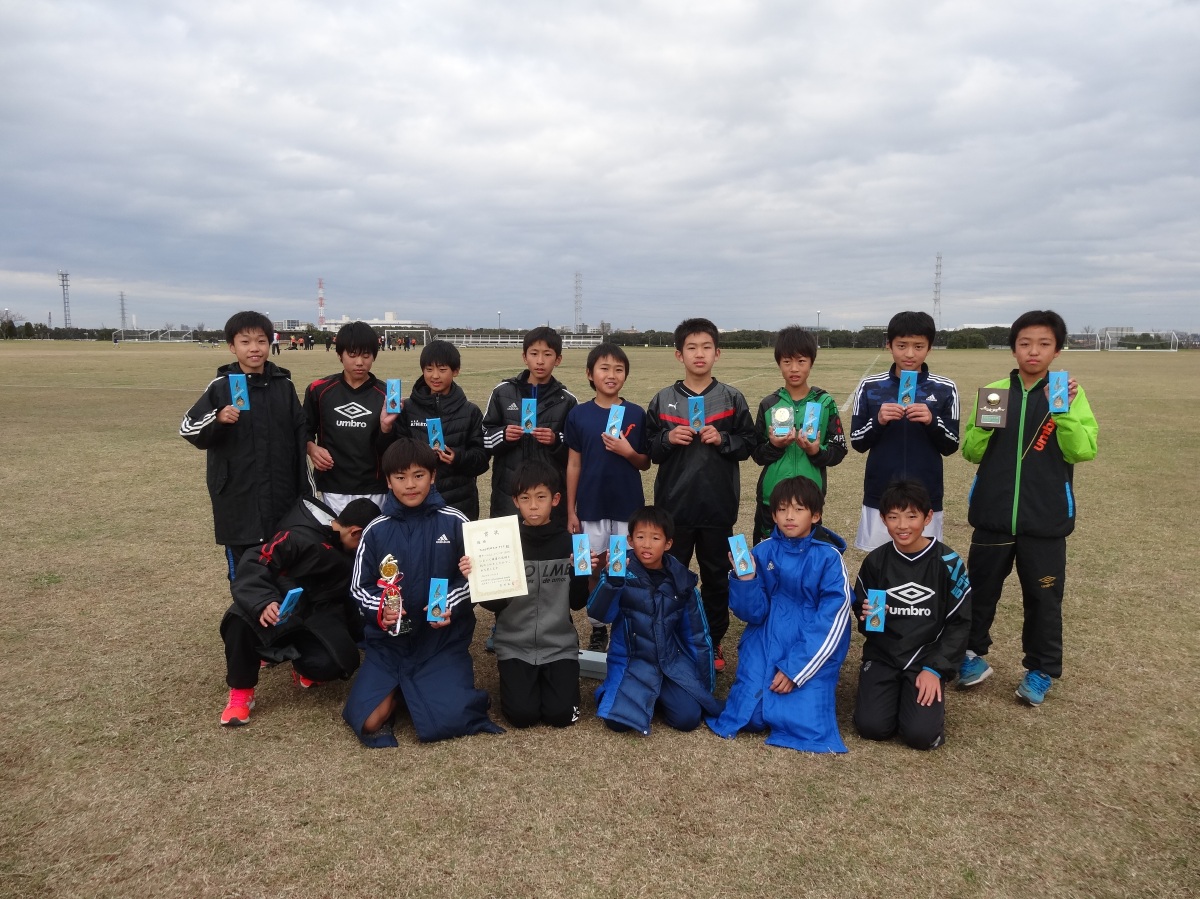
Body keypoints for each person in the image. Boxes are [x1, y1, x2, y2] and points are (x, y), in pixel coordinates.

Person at [959, 310, 1098, 706]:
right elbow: (971, 451)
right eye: (1025, 343)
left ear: (1057, 350)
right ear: (1013, 348)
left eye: (1043, 344)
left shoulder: (1068, 394)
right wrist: (984, 426)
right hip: (993, 516)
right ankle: (970, 655)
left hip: (1045, 519)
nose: (1033, 351)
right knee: (980, 590)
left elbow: (1083, 450)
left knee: (1043, 598)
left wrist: (1063, 413)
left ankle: (1041, 669)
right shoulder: (995, 391)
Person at [342, 438, 503, 746]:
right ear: (388, 481)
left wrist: (450, 604)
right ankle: (402, 689)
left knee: (452, 718)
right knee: (369, 721)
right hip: (390, 646)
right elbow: (359, 588)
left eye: (419, 475)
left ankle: (423, 688)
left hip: (440, 643)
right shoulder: (375, 530)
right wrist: (381, 610)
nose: (410, 485)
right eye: (400, 477)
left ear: (433, 476)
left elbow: (475, 579)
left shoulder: (454, 521)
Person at [706, 477, 852, 753]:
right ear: (773, 515)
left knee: (802, 723)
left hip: (808, 644)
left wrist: (796, 669)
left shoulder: (829, 558)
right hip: (764, 638)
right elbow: (752, 613)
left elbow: (834, 618)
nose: (789, 516)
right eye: (782, 509)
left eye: (798, 509)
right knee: (749, 717)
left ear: (815, 515)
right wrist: (746, 580)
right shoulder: (762, 551)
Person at [644, 317, 755, 672]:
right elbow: (648, 450)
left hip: (717, 507)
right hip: (674, 508)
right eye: (691, 347)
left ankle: (713, 640)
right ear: (679, 355)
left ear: (717, 353)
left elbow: (749, 444)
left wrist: (723, 439)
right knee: (670, 577)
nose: (699, 354)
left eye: (706, 347)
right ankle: (670, 636)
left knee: (716, 578)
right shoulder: (663, 399)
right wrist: (666, 439)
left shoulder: (731, 398)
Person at [218, 497, 381, 726]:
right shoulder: (297, 535)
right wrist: (264, 601)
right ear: (356, 532)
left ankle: (304, 666)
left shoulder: (350, 555)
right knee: (238, 620)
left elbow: (348, 601)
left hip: (317, 614)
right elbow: (256, 560)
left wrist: (355, 637)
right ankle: (241, 692)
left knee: (338, 663)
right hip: (278, 607)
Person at [180, 310, 310, 585]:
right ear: (232, 346)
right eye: (245, 342)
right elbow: (188, 428)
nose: (254, 348)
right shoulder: (221, 386)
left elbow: (299, 437)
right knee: (244, 577)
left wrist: (305, 492)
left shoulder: (284, 386)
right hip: (239, 502)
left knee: (284, 570)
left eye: (261, 341)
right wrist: (217, 419)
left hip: (282, 499)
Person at [469, 462, 591, 727]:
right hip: (514, 645)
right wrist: (478, 575)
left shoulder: (571, 544)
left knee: (561, 716)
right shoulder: (502, 543)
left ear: (555, 499)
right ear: (515, 501)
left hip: (559, 645)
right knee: (522, 716)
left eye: (541, 497)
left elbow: (577, 603)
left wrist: (582, 573)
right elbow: (493, 605)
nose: (533, 506)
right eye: (525, 498)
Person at [851, 480, 971, 749]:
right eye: (893, 517)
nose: (902, 525)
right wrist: (866, 616)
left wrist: (936, 668)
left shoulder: (949, 563)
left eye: (911, 516)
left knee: (920, 735)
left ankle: (924, 706)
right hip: (884, 656)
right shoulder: (876, 561)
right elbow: (866, 618)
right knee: (871, 727)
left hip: (925, 659)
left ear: (928, 517)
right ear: (883, 519)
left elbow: (960, 623)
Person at [588, 506, 723, 734]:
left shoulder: (681, 581)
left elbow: (697, 635)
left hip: (670, 663)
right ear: (630, 540)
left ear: (668, 543)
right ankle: (615, 692)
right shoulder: (619, 570)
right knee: (618, 722)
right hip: (631, 662)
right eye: (640, 537)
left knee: (688, 719)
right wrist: (611, 582)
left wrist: (703, 686)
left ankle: (655, 697)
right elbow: (600, 614)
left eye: (655, 538)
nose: (647, 544)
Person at [849, 311, 960, 551]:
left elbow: (951, 445)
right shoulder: (870, 386)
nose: (910, 354)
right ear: (889, 345)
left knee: (925, 562)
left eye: (918, 346)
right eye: (902, 346)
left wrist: (932, 421)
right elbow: (857, 441)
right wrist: (878, 421)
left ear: (929, 347)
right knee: (879, 561)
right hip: (880, 494)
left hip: (926, 496)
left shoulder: (945, 388)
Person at [564, 342, 650, 653]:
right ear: (590, 373)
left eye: (618, 369)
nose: (611, 375)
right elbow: (574, 464)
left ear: (626, 375)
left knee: (621, 566)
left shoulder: (636, 413)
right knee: (592, 567)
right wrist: (571, 510)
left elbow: (645, 462)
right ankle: (598, 626)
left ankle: (623, 625)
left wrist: (628, 452)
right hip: (591, 507)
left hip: (627, 508)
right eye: (604, 368)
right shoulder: (579, 414)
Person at [750, 325, 847, 544]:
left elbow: (839, 450)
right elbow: (756, 453)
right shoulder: (769, 404)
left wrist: (816, 452)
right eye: (787, 361)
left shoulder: (825, 402)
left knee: (806, 555)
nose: (794, 368)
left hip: (808, 500)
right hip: (771, 500)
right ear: (779, 363)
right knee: (768, 555)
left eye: (801, 361)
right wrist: (774, 446)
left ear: (811, 362)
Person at [303, 321, 399, 517]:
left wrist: (386, 429)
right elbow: (304, 429)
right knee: (337, 536)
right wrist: (311, 448)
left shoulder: (388, 395)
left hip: (374, 487)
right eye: (352, 355)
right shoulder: (318, 390)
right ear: (340, 355)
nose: (359, 362)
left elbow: (394, 449)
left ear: (374, 356)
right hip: (332, 486)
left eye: (366, 355)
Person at [482, 326, 578, 523]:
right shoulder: (503, 392)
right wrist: (503, 435)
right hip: (508, 495)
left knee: (548, 541)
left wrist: (555, 440)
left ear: (558, 359)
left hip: (550, 496)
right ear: (525, 357)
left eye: (547, 354)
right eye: (534, 354)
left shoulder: (567, 400)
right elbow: (483, 438)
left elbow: (576, 450)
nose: (540, 361)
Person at [397, 339, 489, 520]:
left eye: (442, 369)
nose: (435, 376)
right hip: (417, 500)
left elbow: (482, 460)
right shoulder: (407, 409)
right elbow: (395, 453)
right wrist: (420, 455)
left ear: (455, 371)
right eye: (429, 369)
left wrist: (457, 457)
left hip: (460, 503)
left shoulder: (470, 412)